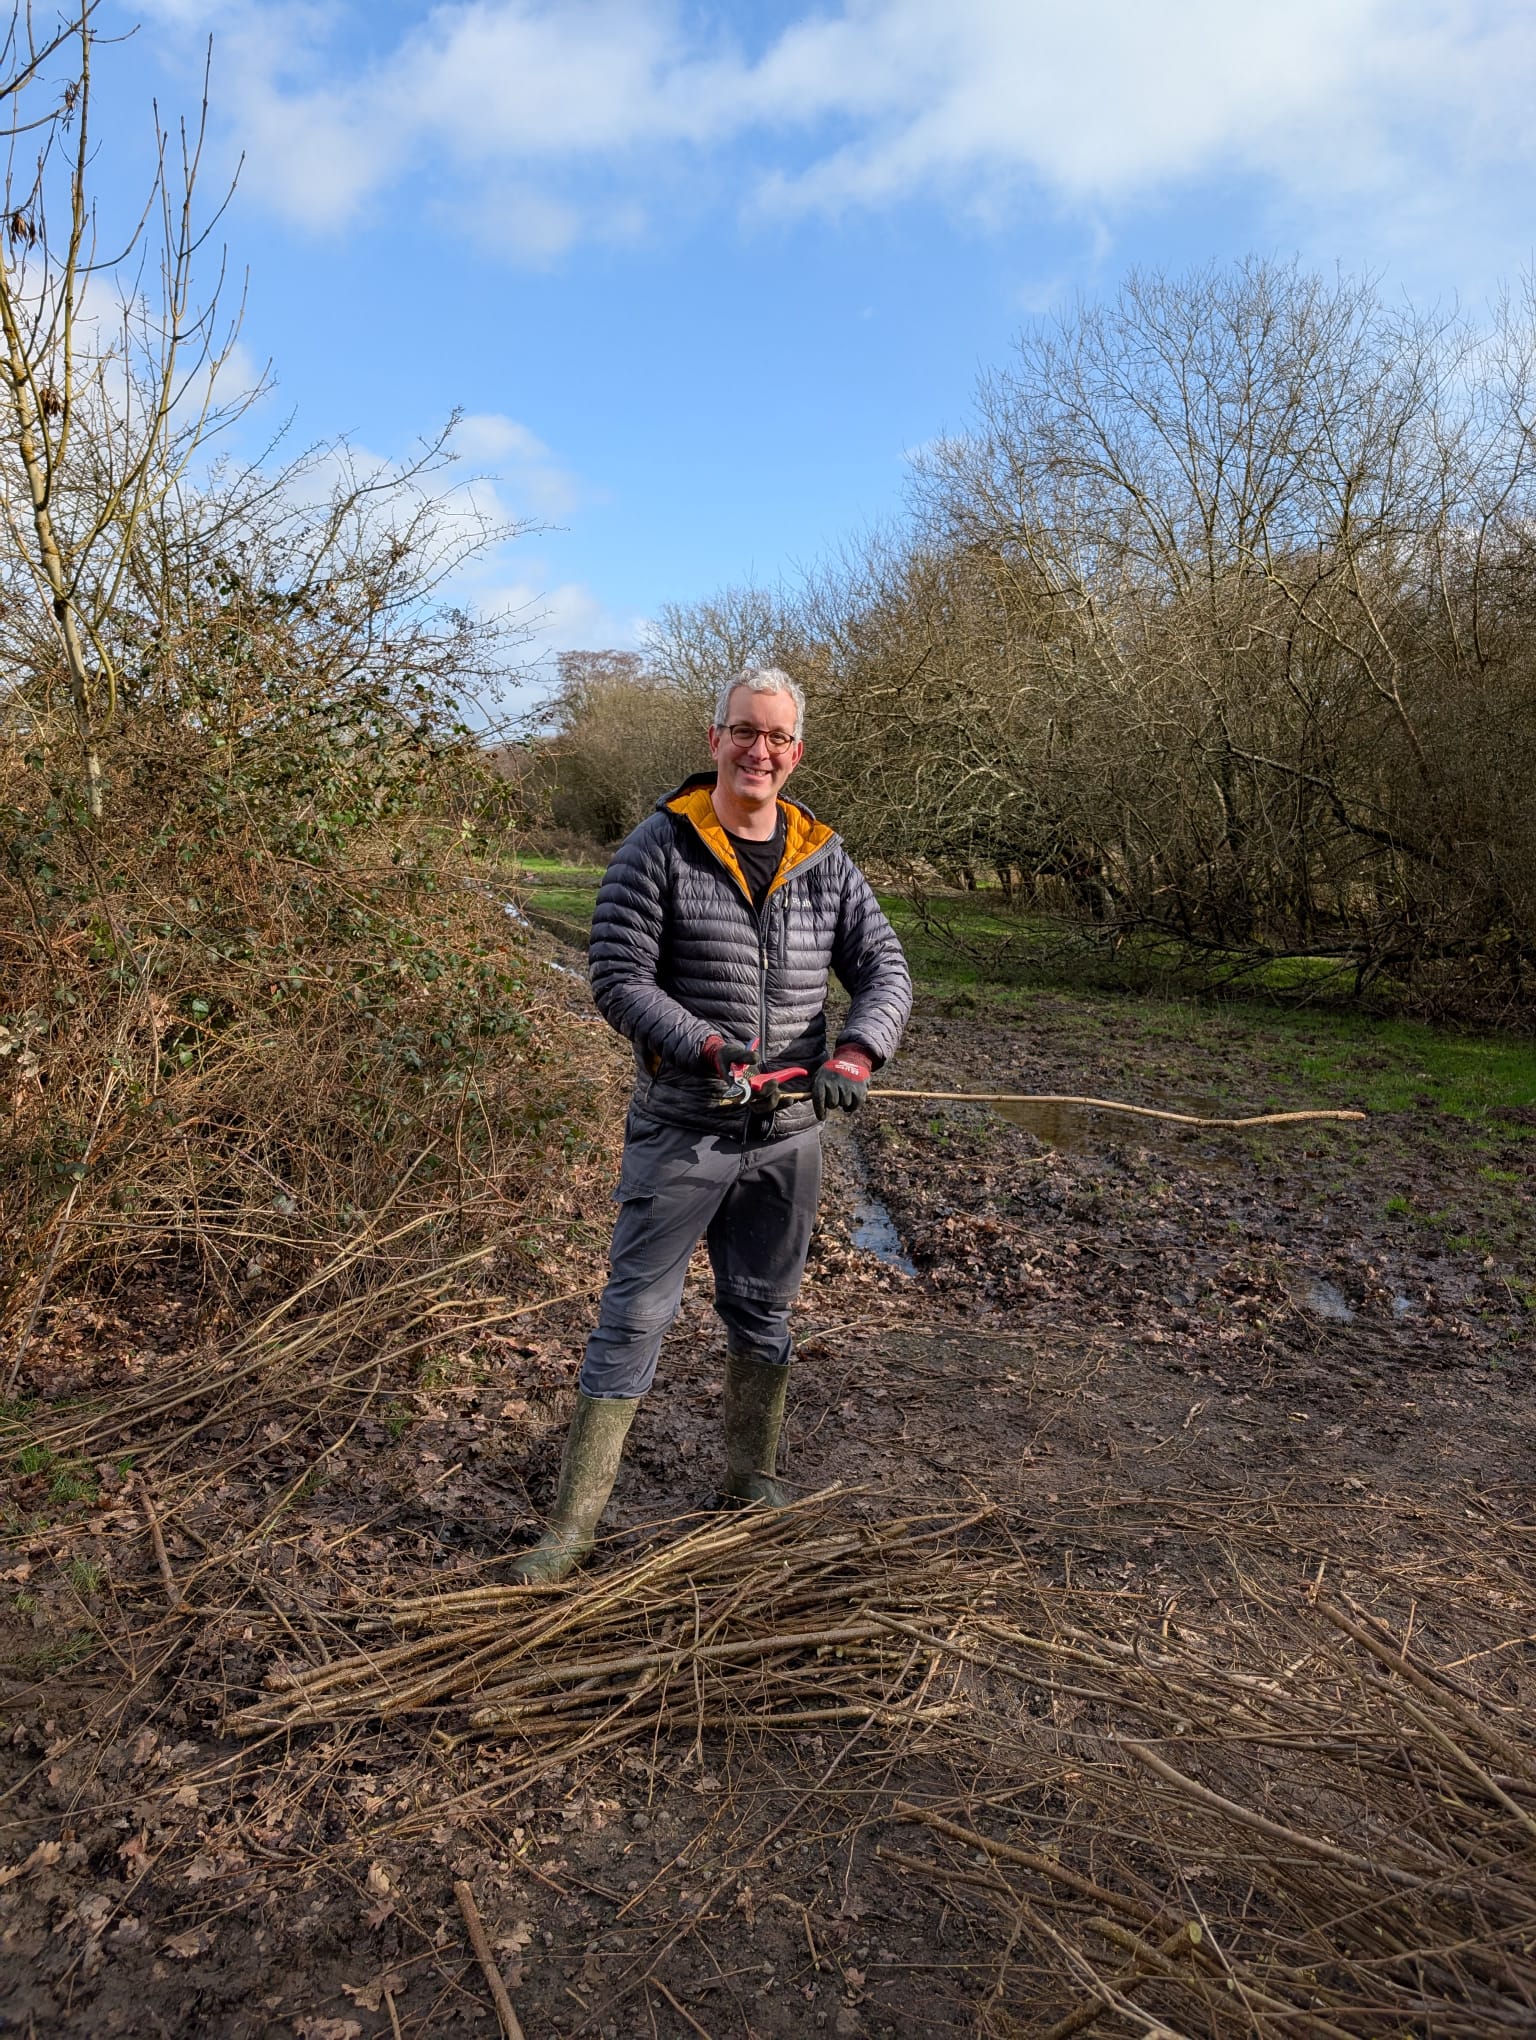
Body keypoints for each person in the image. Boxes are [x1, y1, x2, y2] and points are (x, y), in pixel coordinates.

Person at [511, 666, 912, 1583]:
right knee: (633, 1318)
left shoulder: (825, 859)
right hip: (684, 1127)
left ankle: (748, 1479)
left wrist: (856, 1055)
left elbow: (885, 970)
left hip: (789, 1136)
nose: (758, 751)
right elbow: (617, 977)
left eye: (776, 738)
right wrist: (705, 1046)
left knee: (765, 1311)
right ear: (714, 739)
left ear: (796, 752)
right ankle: (572, 1529)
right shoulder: (658, 846)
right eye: (744, 732)